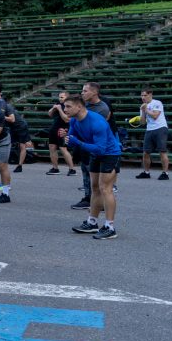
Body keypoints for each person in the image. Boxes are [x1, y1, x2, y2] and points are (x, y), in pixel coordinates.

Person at [65, 96, 122, 239]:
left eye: (68, 106)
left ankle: (110, 227)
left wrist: (77, 142)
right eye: (64, 106)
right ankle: (92, 223)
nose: (65, 110)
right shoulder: (74, 120)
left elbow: (101, 149)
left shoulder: (97, 122)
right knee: (94, 188)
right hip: (94, 153)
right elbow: (72, 141)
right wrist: (68, 140)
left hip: (110, 154)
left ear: (79, 107)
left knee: (105, 189)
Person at [73, 82, 112, 209]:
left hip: (96, 146)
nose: (82, 93)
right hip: (85, 143)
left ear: (94, 92)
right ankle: (88, 197)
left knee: (96, 178)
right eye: (82, 91)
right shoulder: (85, 105)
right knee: (85, 170)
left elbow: (92, 127)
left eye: (85, 91)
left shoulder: (102, 108)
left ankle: (97, 202)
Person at [0, 81, 33, 172]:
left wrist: (0, 116)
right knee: (7, 144)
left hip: (20, 126)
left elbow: (12, 119)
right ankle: (0, 164)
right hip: (13, 127)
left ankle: (19, 166)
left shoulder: (7, 106)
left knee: (22, 145)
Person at [136, 87, 169, 180]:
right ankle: (146, 172)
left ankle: (165, 173)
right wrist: (142, 111)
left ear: (150, 95)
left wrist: (146, 109)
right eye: (141, 95)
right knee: (146, 152)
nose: (143, 97)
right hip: (149, 129)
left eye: (145, 95)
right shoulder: (143, 106)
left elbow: (155, 116)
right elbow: (142, 122)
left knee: (162, 151)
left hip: (160, 128)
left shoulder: (157, 103)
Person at [46, 92, 76, 175]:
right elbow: (49, 114)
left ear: (67, 97)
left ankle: (72, 169)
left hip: (63, 129)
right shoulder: (58, 104)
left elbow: (66, 119)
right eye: (59, 97)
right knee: (52, 147)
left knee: (63, 148)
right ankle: (55, 168)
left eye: (62, 97)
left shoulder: (68, 106)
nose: (60, 99)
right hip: (54, 128)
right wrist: (53, 108)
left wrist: (59, 109)